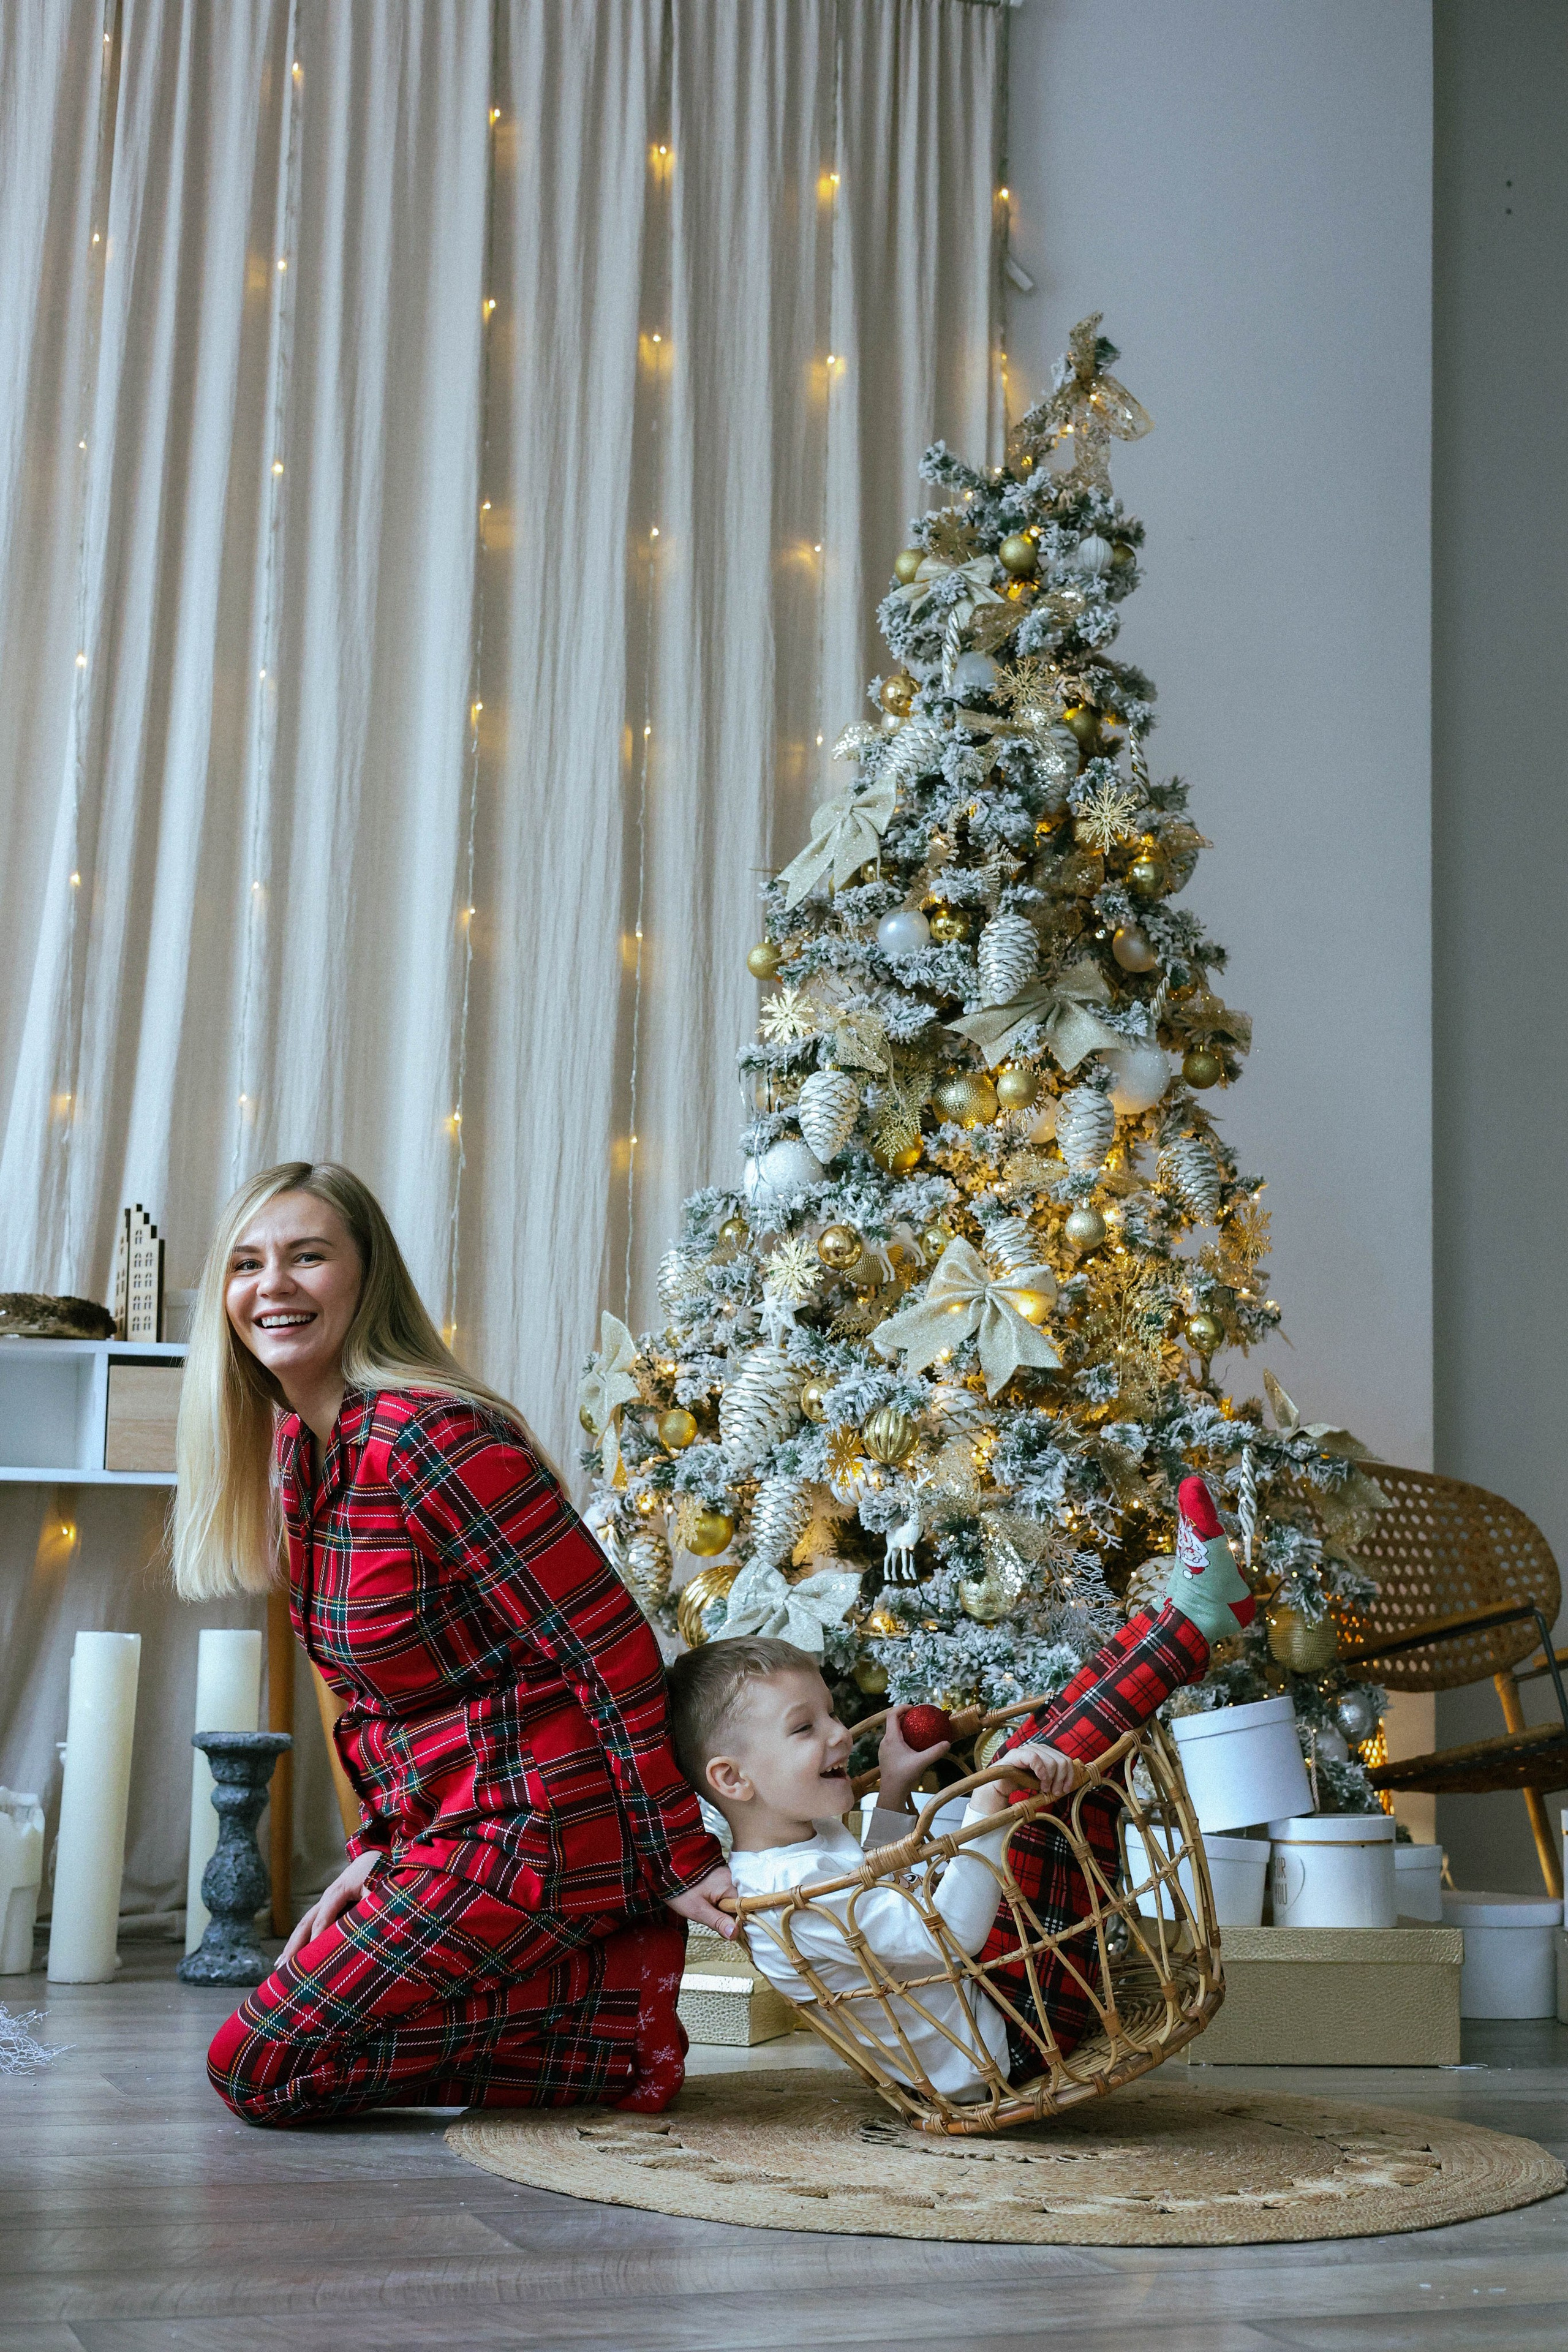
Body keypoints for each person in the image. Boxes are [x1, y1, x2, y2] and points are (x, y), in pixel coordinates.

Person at [173, 1161, 732, 2126]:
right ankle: (611, 2013)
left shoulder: (429, 1440)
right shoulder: (302, 1453)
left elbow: (610, 1648)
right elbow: (384, 1708)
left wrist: (677, 1852)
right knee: (286, 2049)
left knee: (258, 2069)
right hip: (451, 1826)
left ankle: (610, 2020)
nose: (273, 1286)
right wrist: (379, 1849)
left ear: (367, 1278)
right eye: (247, 1264)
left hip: (541, 1826)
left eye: (308, 1257)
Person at [668, 1476, 1253, 2097]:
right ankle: (1191, 1618)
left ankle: (1184, 1616)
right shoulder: (790, 1896)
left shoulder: (796, 1849)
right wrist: (986, 1801)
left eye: (831, 1713)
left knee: (1035, 1746)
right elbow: (947, 1936)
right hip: (1011, 2039)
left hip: (989, 1997)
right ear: (733, 1779)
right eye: (804, 1727)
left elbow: (876, 1889)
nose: (839, 1734)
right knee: (1028, 1779)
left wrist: (896, 1787)